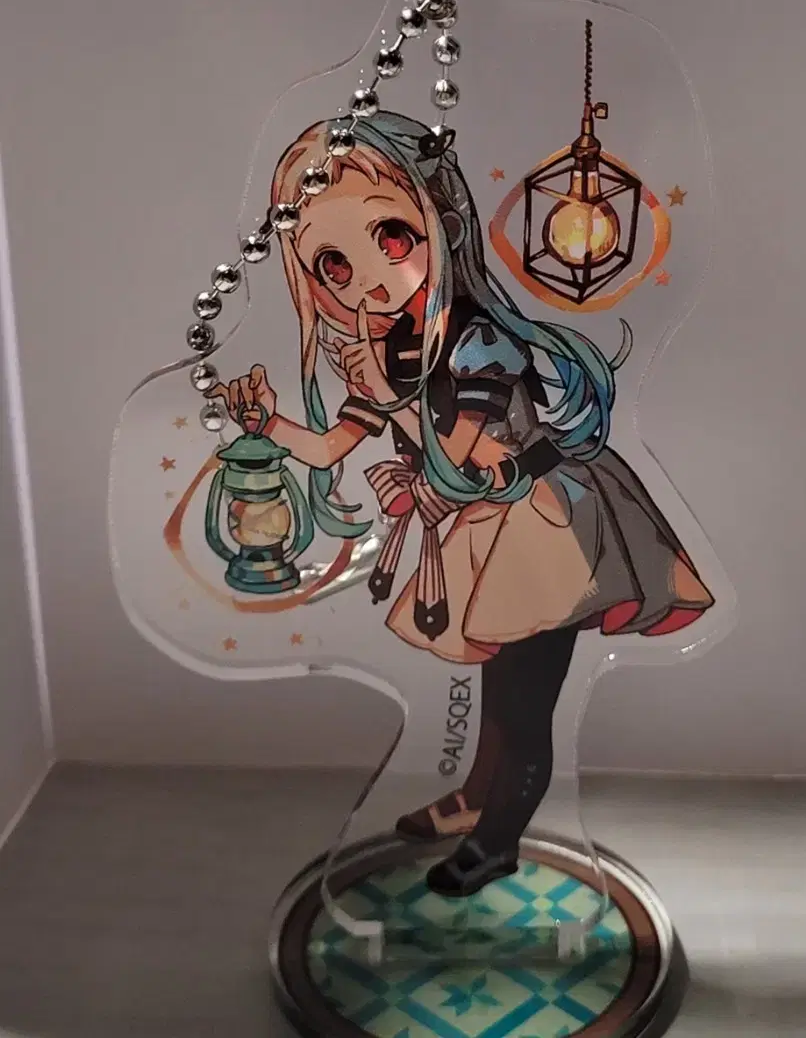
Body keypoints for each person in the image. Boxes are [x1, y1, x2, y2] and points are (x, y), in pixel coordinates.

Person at [210, 110, 714, 897]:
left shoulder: (479, 341)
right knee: (495, 688)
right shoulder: (383, 345)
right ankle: (477, 798)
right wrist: (265, 424)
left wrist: (413, 473)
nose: (368, 277)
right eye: (333, 264)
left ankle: (498, 843)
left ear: (440, 223)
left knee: (523, 705)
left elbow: (468, 461)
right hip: (482, 529)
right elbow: (332, 447)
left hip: (548, 526)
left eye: (392, 238)